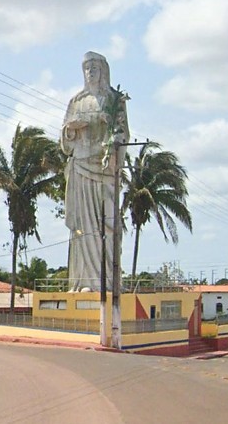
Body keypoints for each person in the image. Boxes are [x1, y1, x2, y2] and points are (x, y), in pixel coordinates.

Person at [61, 51, 129, 292]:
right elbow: (65, 142)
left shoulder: (114, 100)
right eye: (87, 68)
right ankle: (82, 281)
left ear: (103, 71)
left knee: (105, 225)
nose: (90, 72)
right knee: (82, 226)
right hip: (80, 166)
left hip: (103, 170)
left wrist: (113, 144)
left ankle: (105, 281)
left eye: (95, 68)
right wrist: (71, 129)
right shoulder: (76, 101)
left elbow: (123, 133)